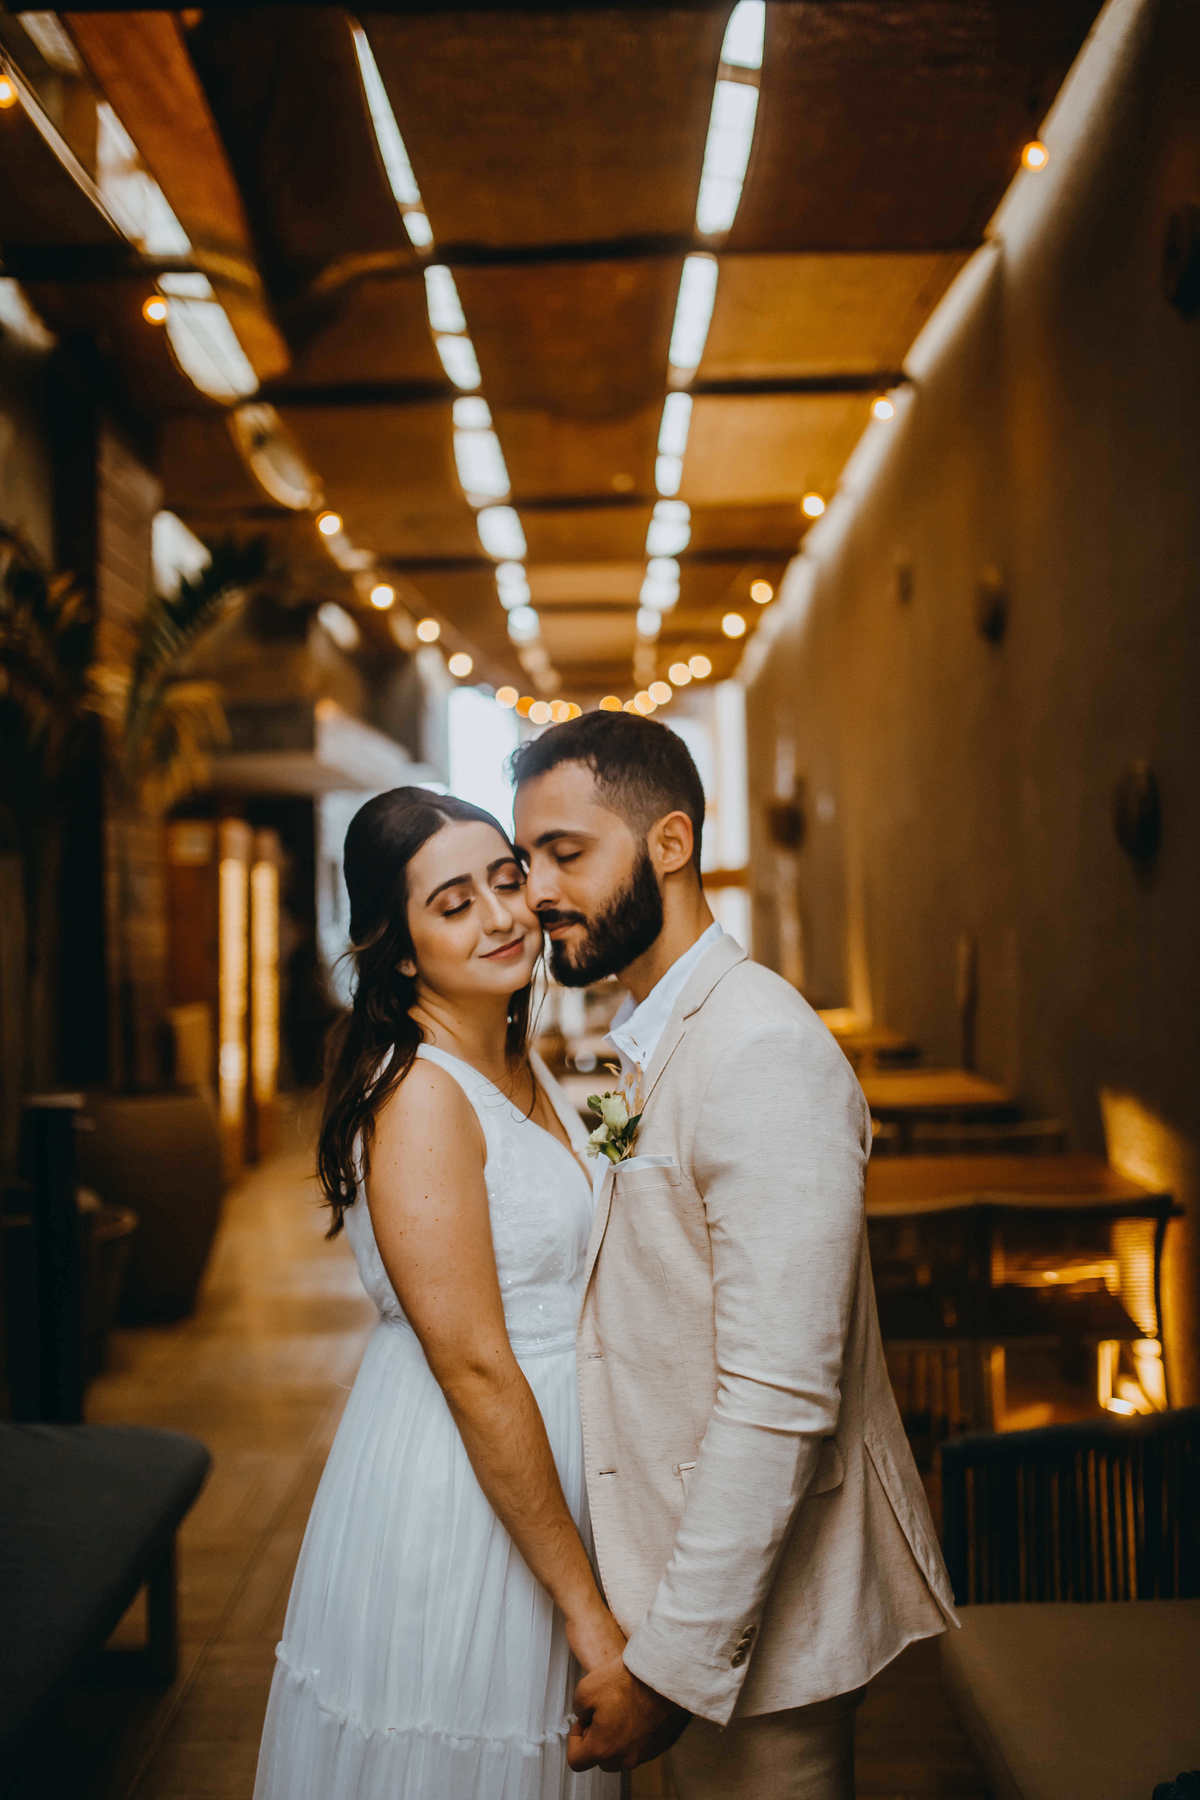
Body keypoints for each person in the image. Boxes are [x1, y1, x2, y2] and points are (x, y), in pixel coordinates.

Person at [511, 713, 960, 1800]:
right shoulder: (661, 1033)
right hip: (673, 1586)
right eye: (528, 860)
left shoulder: (762, 1048)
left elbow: (781, 1394)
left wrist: (670, 1665)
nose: (536, 893)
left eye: (566, 854)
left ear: (670, 844)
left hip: (760, 1627)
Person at [253, 787, 621, 1800]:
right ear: (403, 950)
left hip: (547, 1474)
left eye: (506, 882)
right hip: (468, 1493)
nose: (502, 916)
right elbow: (473, 1366)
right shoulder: (421, 1096)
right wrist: (585, 1607)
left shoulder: (513, 1059)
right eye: (455, 904)